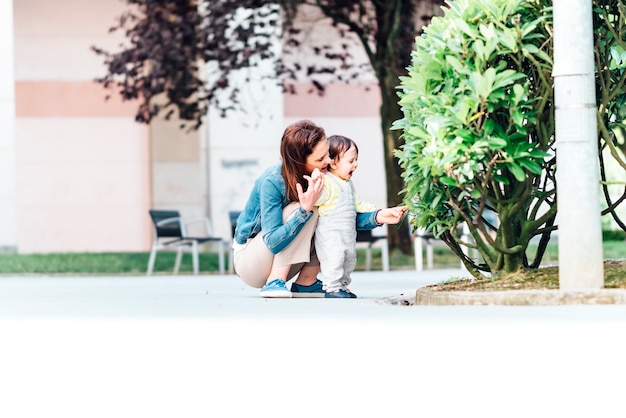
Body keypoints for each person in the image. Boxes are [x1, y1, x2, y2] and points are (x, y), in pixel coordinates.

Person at [232, 120, 407, 298]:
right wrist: (304, 210)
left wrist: (377, 217)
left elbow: (337, 219)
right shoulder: (273, 181)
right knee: (306, 207)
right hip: (251, 261)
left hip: (286, 258)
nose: (328, 161)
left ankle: (306, 282)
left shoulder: (324, 179)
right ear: (299, 160)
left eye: (327, 155)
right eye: (320, 159)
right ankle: (275, 281)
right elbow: (273, 242)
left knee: (317, 209)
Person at [314, 135, 378, 298]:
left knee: (349, 260)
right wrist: (315, 182)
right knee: (334, 259)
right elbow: (318, 199)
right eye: (351, 161)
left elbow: (357, 204)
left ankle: (342, 285)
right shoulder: (327, 181)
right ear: (333, 163)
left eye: (356, 160)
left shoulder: (349, 184)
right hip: (331, 234)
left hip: (348, 233)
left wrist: (374, 211)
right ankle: (331, 287)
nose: (355, 165)